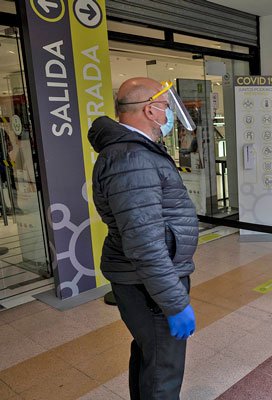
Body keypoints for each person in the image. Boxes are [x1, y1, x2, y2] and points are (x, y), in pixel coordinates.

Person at [89, 77, 199, 399]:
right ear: (150, 110)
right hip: (149, 285)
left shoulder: (134, 152)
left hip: (145, 281)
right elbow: (145, 243)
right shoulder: (132, 159)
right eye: (166, 109)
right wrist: (175, 303)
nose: (168, 118)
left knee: (150, 356)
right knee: (163, 370)